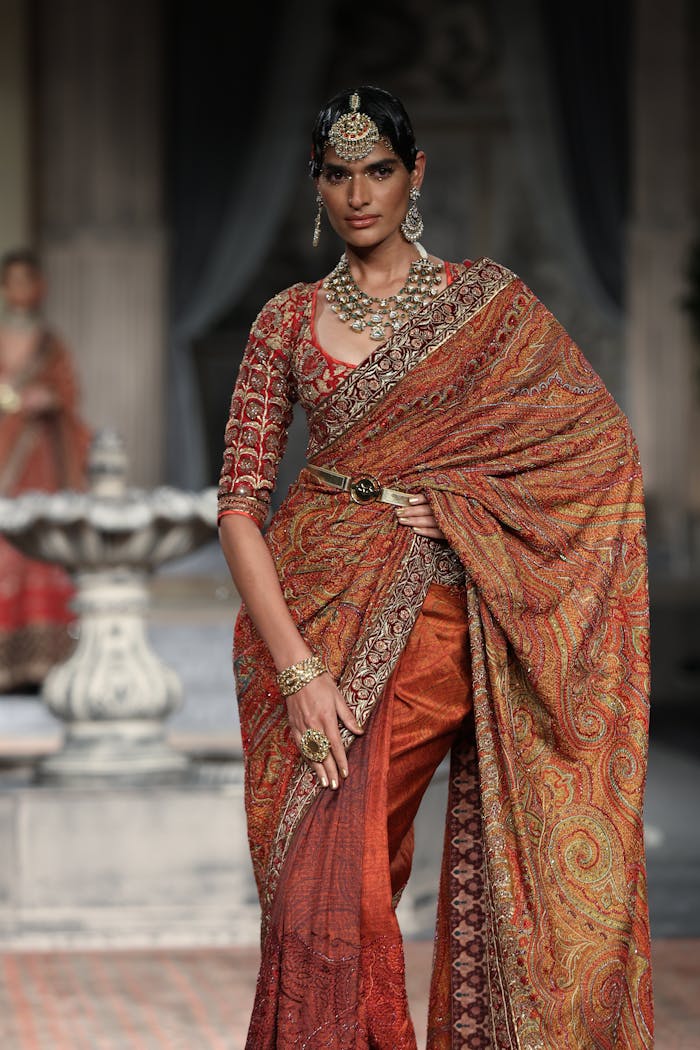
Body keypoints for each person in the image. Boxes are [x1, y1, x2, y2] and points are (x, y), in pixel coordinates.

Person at [218, 87, 653, 1049]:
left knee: (353, 887)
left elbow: (600, 452)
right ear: (317, 188)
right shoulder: (285, 323)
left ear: (416, 177)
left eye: (379, 171)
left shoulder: (483, 305)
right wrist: (297, 670)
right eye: (339, 174)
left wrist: (462, 510)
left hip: (435, 628)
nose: (359, 193)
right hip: (306, 616)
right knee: (305, 899)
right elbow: (240, 506)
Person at [0, 249, 90, 692]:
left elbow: (70, 395)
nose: (22, 290)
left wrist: (48, 401)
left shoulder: (50, 345)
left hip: (40, 460)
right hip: (3, 460)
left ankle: (41, 663)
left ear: (40, 287)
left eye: (28, 281)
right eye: (13, 282)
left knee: (39, 551)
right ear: (3, 288)